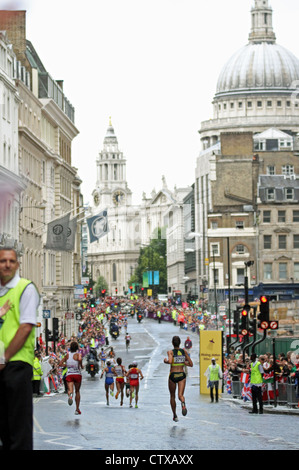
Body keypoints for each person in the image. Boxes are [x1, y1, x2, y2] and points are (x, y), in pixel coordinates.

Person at [0, 247, 40, 450]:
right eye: (2, 261)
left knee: (18, 432)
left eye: (11, 261)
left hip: (16, 364)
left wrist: (4, 358)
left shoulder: (26, 288)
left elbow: (25, 326)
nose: (7, 265)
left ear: (17, 264)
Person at [164, 335, 193, 422]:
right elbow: (191, 364)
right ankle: (183, 404)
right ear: (180, 343)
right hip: (181, 375)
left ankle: (175, 415)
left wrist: (165, 361)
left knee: (172, 396)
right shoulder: (184, 351)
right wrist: (184, 363)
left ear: (172, 343)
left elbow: (169, 361)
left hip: (173, 375)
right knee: (180, 395)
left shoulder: (170, 352)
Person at [60, 341, 83, 415]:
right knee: (77, 391)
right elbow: (79, 359)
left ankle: (70, 396)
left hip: (69, 374)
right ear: (77, 348)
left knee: (70, 389)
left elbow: (60, 363)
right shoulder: (78, 354)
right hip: (77, 374)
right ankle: (77, 409)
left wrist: (66, 365)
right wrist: (81, 365)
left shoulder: (67, 355)